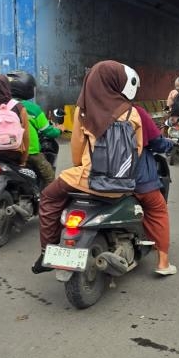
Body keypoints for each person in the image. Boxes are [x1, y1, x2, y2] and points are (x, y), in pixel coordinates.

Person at [34, 61, 143, 269]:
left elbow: (76, 151)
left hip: (87, 179)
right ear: (117, 82)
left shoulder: (82, 112)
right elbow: (136, 151)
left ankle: (46, 250)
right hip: (123, 183)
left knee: (48, 197)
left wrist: (81, 171)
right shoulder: (132, 113)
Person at [134, 104, 177, 275]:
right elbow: (157, 142)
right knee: (158, 210)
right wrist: (168, 144)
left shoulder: (89, 110)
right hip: (137, 181)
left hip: (97, 179)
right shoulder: (135, 112)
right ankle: (163, 262)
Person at [7, 71, 60, 188]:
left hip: (6, 151)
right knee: (49, 176)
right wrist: (59, 130)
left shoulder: (3, 105)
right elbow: (48, 131)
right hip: (30, 152)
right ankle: (49, 201)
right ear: (27, 89)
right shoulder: (33, 109)